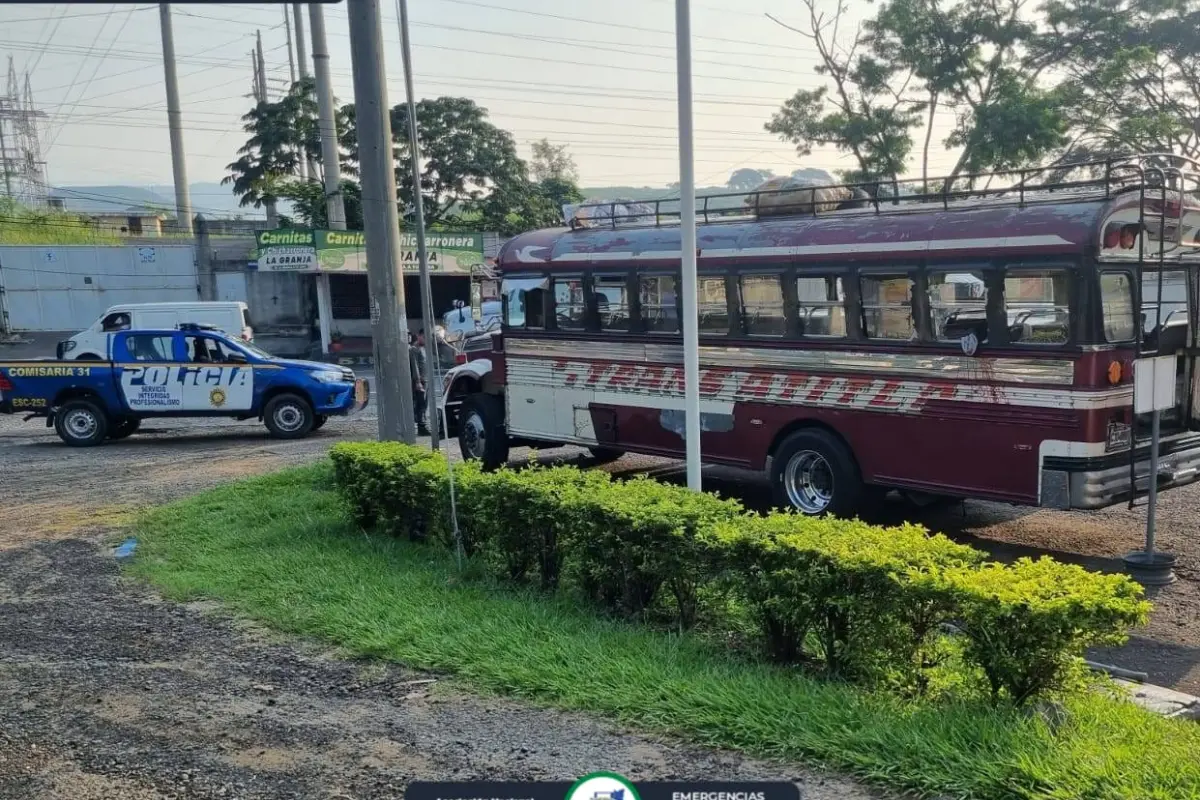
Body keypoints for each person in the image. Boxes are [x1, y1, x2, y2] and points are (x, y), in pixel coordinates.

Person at [409, 331, 429, 436]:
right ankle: (421, 426)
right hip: (420, 381)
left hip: (426, 380)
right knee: (420, 404)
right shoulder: (414, 349)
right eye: (424, 337)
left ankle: (422, 424)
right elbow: (415, 366)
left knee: (425, 404)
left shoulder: (423, 348)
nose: (426, 339)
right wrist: (417, 382)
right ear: (419, 336)